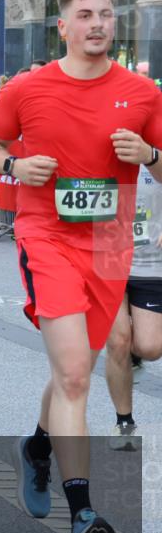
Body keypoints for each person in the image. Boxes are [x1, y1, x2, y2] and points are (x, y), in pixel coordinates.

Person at [0, 0, 162, 533]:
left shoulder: (143, 92)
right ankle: (82, 510)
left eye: (106, 13)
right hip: (45, 236)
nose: (98, 23)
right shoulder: (31, 87)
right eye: (85, 14)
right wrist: (12, 164)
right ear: (64, 26)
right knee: (77, 372)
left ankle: (36, 447)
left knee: (70, 366)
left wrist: (151, 156)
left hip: (109, 243)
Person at [104, 160, 162, 451]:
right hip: (107, 258)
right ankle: (124, 423)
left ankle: (135, 354)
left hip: (152, 263)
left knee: (149, 347)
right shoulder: (104, 146)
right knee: (118, 342)